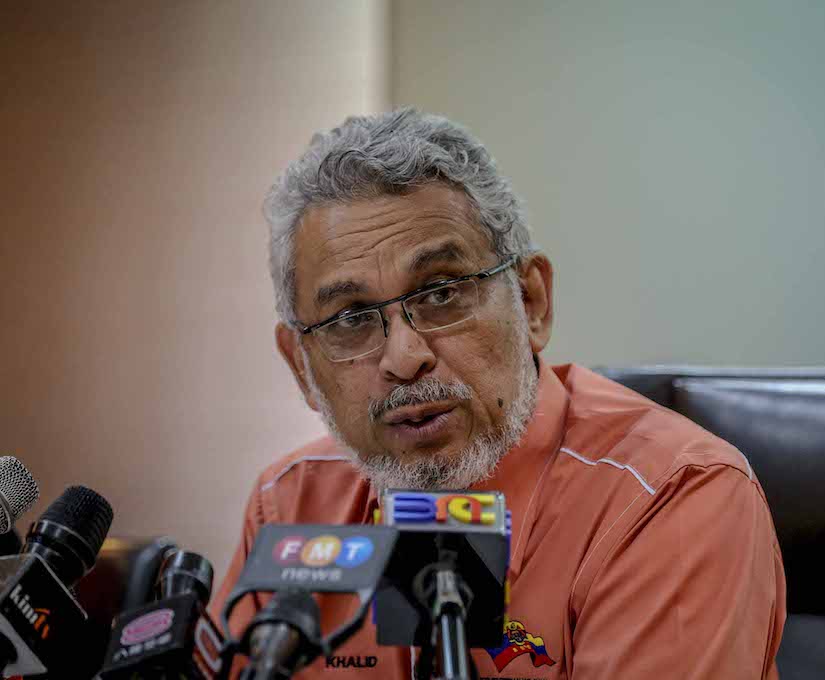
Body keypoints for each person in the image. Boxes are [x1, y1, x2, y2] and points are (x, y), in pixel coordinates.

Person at [210, 108, 786, 679]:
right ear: (301, 367)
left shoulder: (671, 496)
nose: (405, 358)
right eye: (351, 317)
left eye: (441, 292)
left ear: (532, 302)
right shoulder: (292, 506)